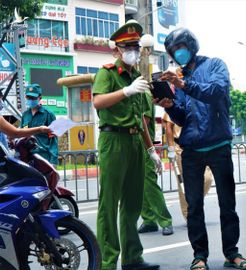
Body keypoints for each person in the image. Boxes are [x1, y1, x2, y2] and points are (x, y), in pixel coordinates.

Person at [154, 28, 246, 270]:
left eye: (180, 48)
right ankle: (199, 255)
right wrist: (168, 105)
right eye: (173, 51)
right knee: (194, 205)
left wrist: (183, 83)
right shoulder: (176, 80)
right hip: (191, 148)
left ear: (191, 46)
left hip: (218, 143)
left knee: (227, 203)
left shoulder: (215, 66)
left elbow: (216, 92)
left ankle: (232, 252)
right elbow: (182, 118)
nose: (178, 54)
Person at [92, 20, 161, 270]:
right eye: (127, 46)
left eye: (136, 46)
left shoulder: (137, 77)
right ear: (116, 50)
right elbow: (98, 102)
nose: (133, 50)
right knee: (109, 204)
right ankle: (107, 262)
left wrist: (151, 149)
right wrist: (127, 91)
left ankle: (132, 257)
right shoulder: (107, 73)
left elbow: (142, 118)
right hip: (114, 140)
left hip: (135, 141)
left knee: (133, 202)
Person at [162, 112, 213, 220]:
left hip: (199, 146)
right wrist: (170, 148)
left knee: (207, 178)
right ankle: (188, 214)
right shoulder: (174, 100)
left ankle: (194, 204)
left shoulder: (198, 99)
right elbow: (168, 126)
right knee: (184, 183)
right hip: (181, 148)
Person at [138, 92, 173, 236]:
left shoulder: (143, 95)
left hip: (144, 146)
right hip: (132, 146)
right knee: (138, 186)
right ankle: (148, 220)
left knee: (150, 184)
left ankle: (165, 221)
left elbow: (143, 122)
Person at [20, 84, 58, 166]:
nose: (30, 100)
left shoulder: (49, 114)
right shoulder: (25, 115)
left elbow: (53, 139)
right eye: (28, 98)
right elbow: (21, 135)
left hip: (44, 158)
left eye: (33, 98)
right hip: (27, 158)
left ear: (40, 98)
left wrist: (53, 161)